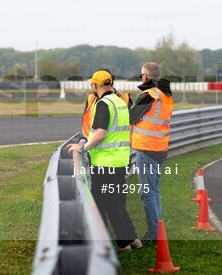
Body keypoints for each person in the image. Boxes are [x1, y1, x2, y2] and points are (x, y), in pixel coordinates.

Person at [67, 70, 142, 251]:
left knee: (110, 202)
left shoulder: (103, 104)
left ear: (96, 85)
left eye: (92, 84)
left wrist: (82, 147)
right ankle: (131, 238)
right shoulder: (119, 101)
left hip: (105, 162)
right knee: (112, 200)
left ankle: (124, 243)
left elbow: (100, 134)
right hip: (120, 160)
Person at [129, 62, 174, 242]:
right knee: (154, 192)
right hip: (160, 148)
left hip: (146, 149)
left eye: (141, 75)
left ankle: (155, 235)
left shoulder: (148, 95)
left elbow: (131, 118)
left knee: (148, 194)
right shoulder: (166, 95)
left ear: (146, 77)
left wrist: (128, 104)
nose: (141, 78)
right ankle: (158, 231)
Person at [80, 68, 132, 138]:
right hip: (93, 141)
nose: (92, 87)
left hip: (108, 143)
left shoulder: (124, 97)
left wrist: (85, 147)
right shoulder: (91, 97)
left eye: (92, 84)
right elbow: (85, 121)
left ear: (96, 85)